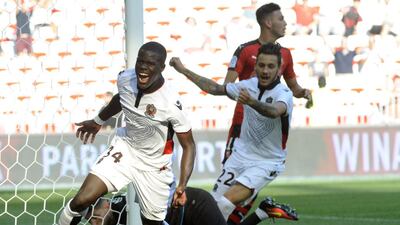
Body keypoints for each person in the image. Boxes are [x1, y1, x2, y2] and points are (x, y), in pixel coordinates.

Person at [58, 41, 197, 225]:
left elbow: (189, 146)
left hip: (154, 165)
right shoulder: (125, 78)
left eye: (150, 64)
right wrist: (98, 121)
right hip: (126, 149)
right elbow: (120, 99)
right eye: (140, 61)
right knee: (81, 200)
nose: (143, 68)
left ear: (162, 67)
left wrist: (182, 185)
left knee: (151, 223)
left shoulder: (170, 102)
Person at [170, 43, 296, 222]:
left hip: (267, 162)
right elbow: (214, 89)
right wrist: (183, 70)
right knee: (212, 207)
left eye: (270, 66)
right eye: (261, 65)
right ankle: (263, 212)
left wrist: (252, 102)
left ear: (279, 69)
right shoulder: (248, 85)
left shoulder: (283, 94)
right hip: (240, 155)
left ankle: (262, 213)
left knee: (224, 204)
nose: (265, 70)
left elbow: (275, 111)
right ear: (256, 66)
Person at [222, 3, 311, 224]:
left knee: (247, 186)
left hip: (269, 130)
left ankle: (255, 213)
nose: (285, 23)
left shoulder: (286, 54)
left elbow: (293, 87)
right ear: (268, 22)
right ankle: (262, 212)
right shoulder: (244, 50)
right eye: (281, 19)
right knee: (231, 189)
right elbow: (226, 85)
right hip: (243, 128)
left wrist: (304, 93)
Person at [85, 187, 298, 225]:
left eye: (95, 217)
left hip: (195, 205)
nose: (94, 223)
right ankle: (263, 210)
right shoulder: (115, 214)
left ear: (105, 204)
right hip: (182, 215)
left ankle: (263, 211)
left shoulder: (125, 210)